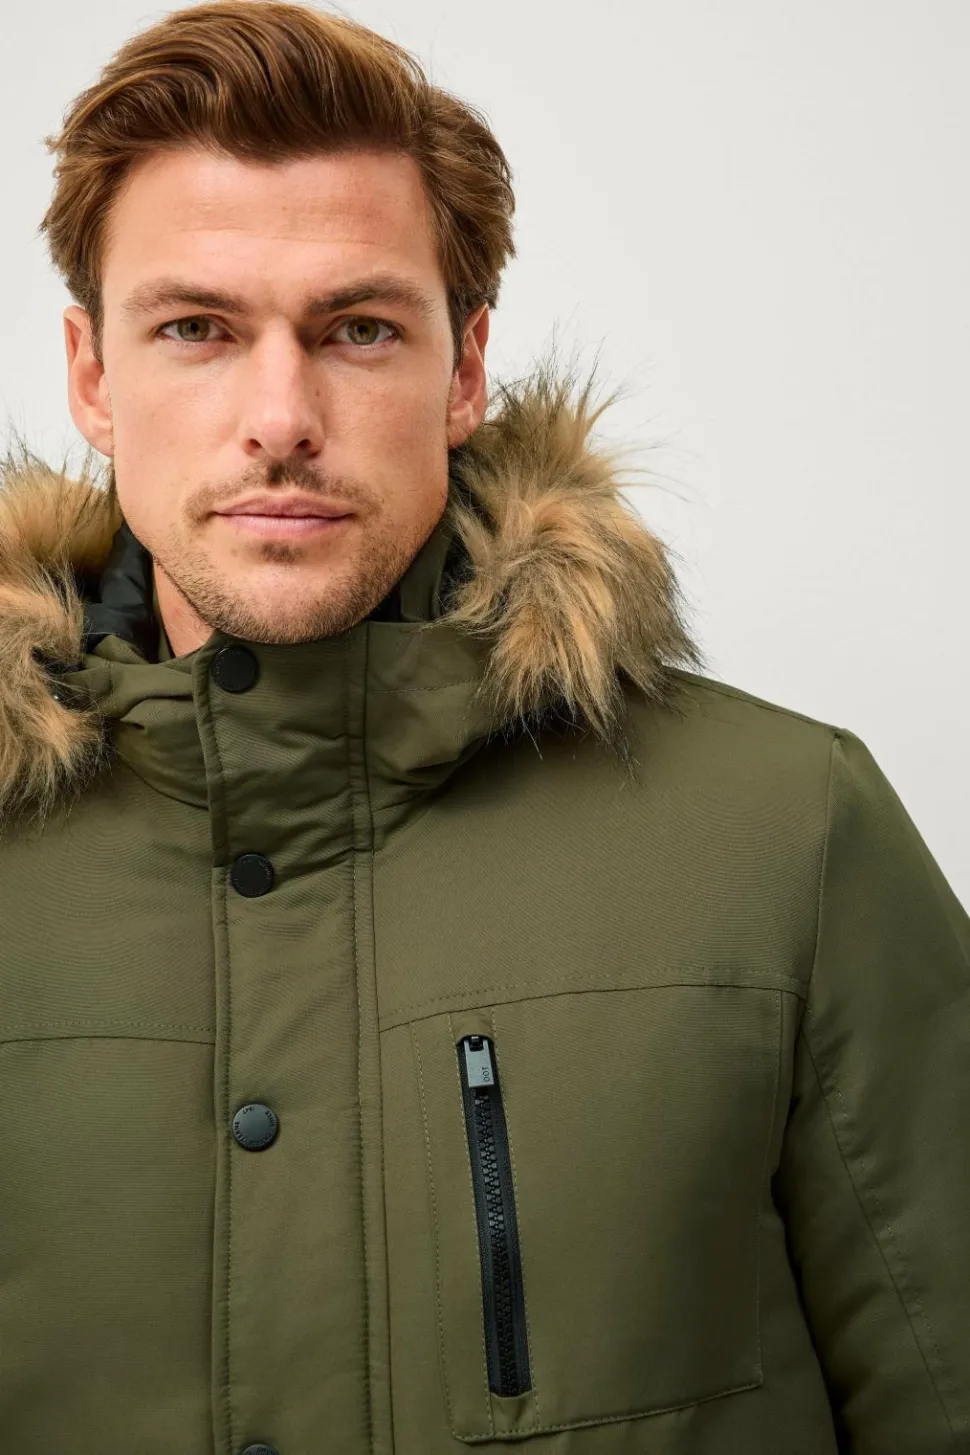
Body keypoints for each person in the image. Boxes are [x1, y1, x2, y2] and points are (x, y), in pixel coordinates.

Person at [0, 3, 966, 1451]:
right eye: (197, 329)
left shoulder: (785, 834)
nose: (281, 415)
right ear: (92, 374)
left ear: (462, 371)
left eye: (359, 328)